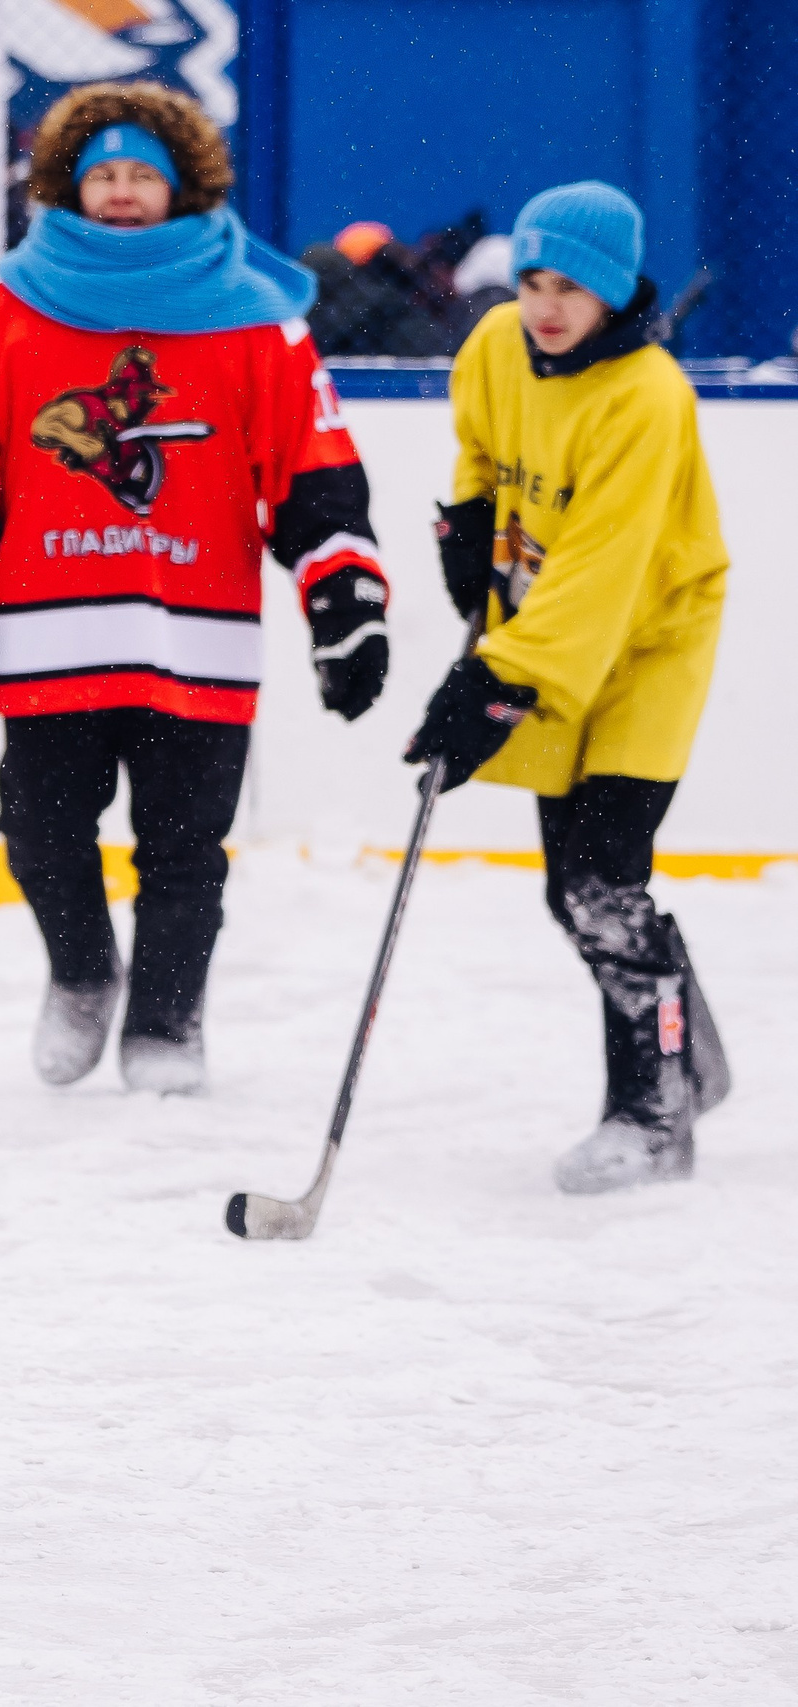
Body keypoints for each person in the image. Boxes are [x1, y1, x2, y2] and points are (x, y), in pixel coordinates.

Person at [0, 81, 392, 1094]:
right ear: (71, 185)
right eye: (102, 174)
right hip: (45, 629)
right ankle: (81, 976)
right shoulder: (7, 307)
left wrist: (342, 597)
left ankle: (166, 1023)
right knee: (38, 833)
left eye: (142, 177)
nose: (121, 193)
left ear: (183, 186)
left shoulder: (259, 317)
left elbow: (313, 471)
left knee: (182, 850)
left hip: (197, 634)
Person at [412, 181, 731, 1194]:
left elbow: (602, 574)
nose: (545, 307)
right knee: (572, 888)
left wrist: (492, 686)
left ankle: (651, 1114)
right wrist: (468, 524)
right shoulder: (496, 347)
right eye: (533, 282)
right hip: (542, 627)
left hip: (643, 646)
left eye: (572, 289)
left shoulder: (646, 397)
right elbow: (480, 443)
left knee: (602, 881)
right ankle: (685, 1047)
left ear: (615, 293)